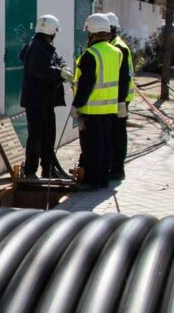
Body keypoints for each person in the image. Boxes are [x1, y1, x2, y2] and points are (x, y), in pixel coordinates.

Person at [71, 13, 125, 190]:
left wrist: (76, 105)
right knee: (106, 145)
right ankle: (103, 178)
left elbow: (86, 84)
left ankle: (92, 181)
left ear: (91, 32)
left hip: (91, 110)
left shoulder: (90, 55)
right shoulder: (116, 52)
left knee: (91, 147)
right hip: (109, 108)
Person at [19, 14, 73, 179]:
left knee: (48, 137)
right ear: (52, 32)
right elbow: (38, 69)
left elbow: (56, 58)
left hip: (45, 101)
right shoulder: (36, 47)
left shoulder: (44, 45)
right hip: (36, 102)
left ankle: (48, 169)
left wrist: (63, 66)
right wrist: (59, 72)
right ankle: (30, 171)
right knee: (36, 138)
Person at [107, 12, 134, 180]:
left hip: (119, 99)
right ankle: (114, 166)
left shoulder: (118, 47)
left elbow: (124, 77)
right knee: (115, 134)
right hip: (118, 98)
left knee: (117, 135)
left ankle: (117, 169)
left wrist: (121, 102)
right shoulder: (116, 45)